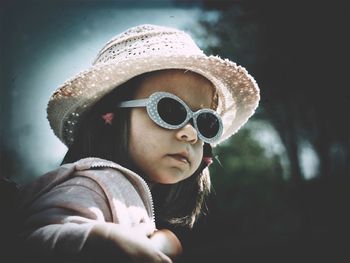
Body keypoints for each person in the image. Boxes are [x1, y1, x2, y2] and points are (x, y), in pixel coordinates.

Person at [15, 24, 260, 262]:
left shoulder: (132, 195)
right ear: (112, 116)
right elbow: (36, 238)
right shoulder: (92, 182)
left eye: (205, 122)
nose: (191, 134)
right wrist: (103, 238)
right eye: (170, 110)